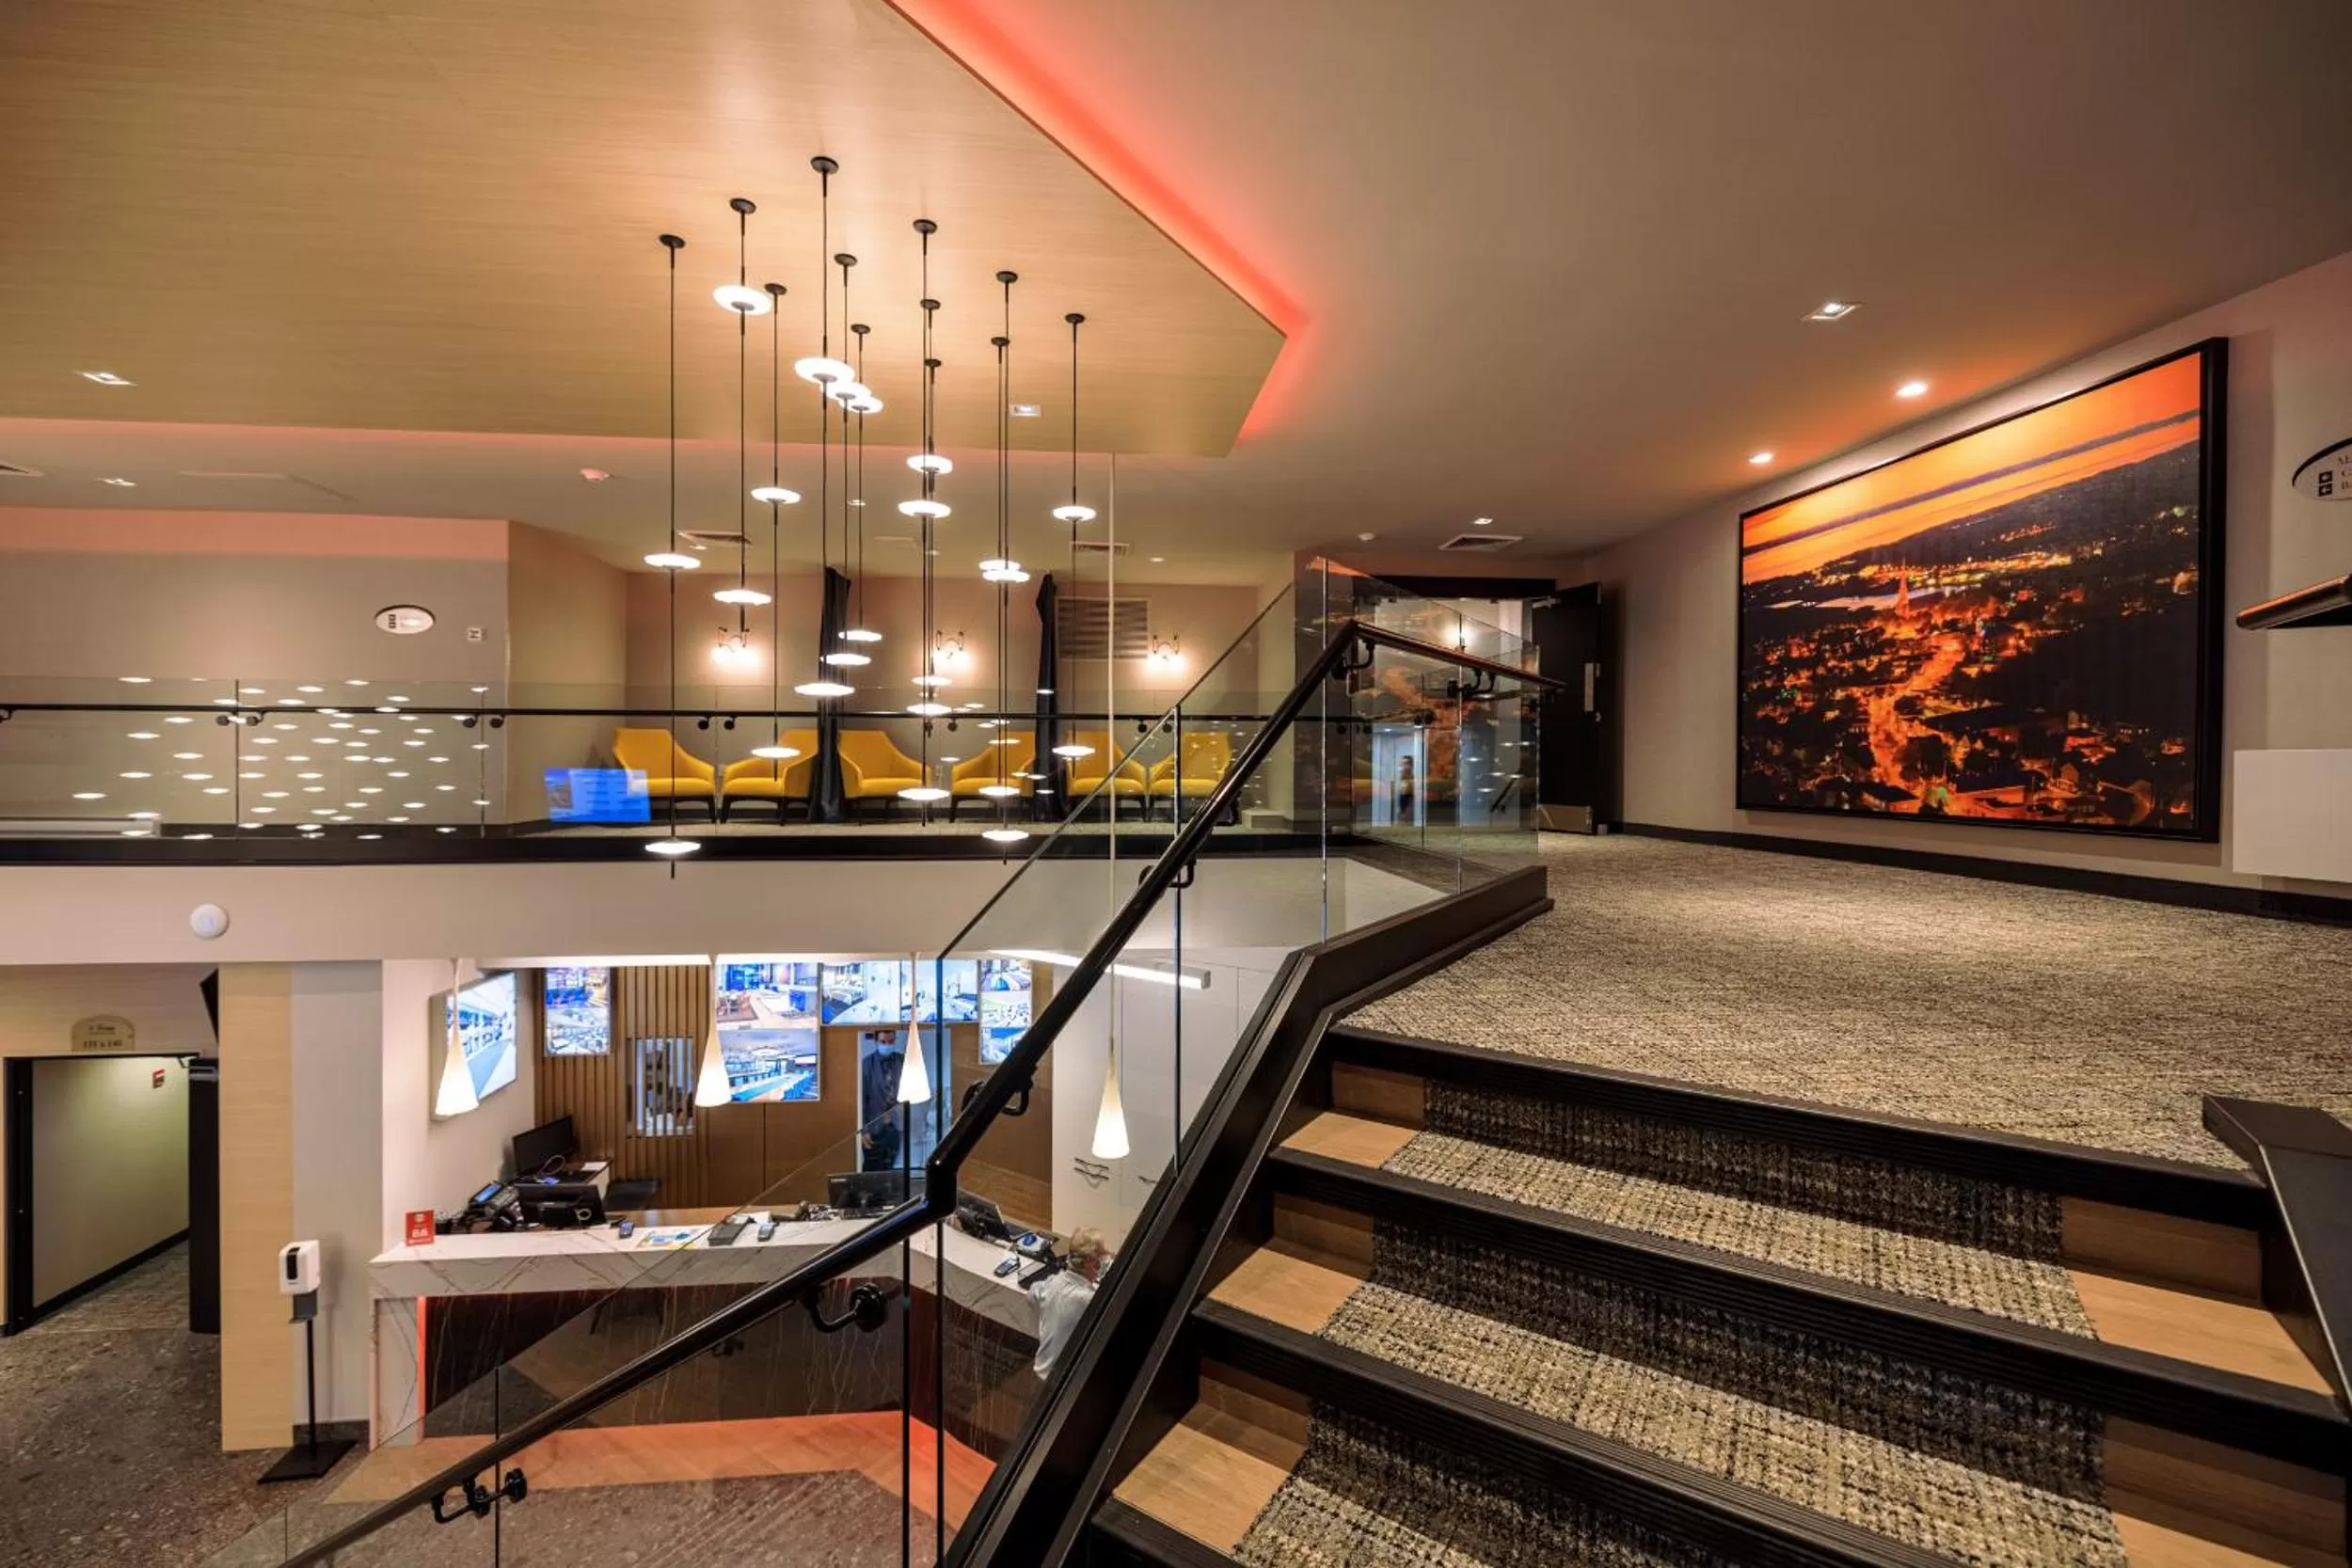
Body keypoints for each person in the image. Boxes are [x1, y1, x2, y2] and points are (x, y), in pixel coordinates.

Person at [1028, 1228, 1110, 1378]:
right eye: (1102, 1256)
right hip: (1063, 1381)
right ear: (1091, 1263)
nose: (1106, 1260)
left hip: (1040, 1372)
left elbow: (1033, 1292)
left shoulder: (1052, 1283)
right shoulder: (1088, 1300)